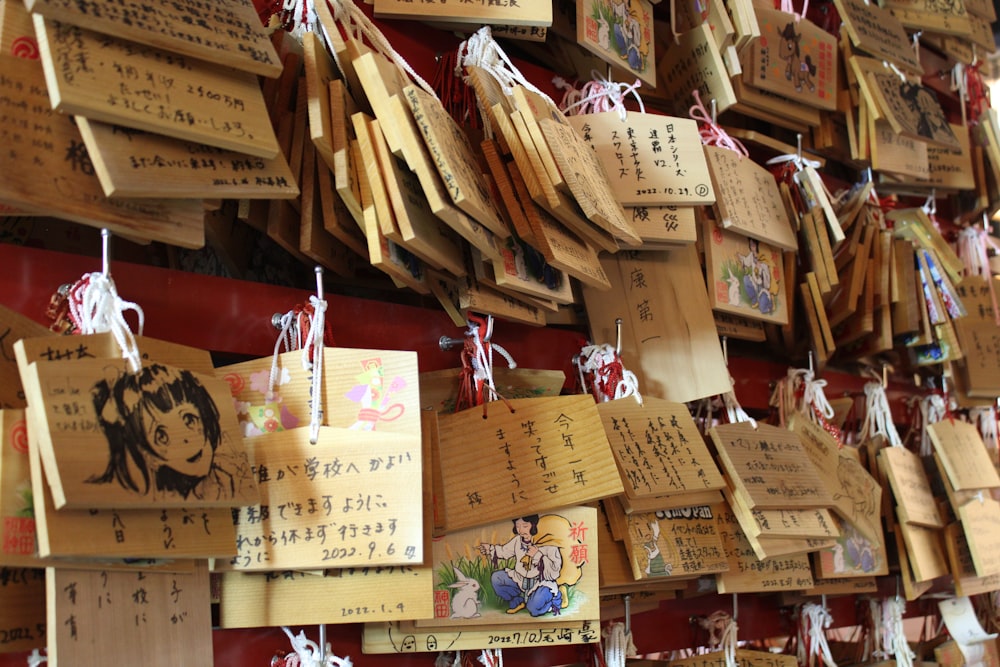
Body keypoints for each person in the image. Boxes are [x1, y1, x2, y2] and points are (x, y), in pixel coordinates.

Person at [89, 363, 238, 502]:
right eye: (162, 436)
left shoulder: (230, 475)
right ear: (151, 457)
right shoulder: (160, 497)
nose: (185, 438)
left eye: (189, 419)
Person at [478, 515, 563, 616]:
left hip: (540, 582)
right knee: (497, 578)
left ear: (534, 525)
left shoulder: (548, 543)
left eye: (525, 526)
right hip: (520, 579)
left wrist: (538, 555)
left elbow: (554, 571)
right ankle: (519, 601)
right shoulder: (518, 540)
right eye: (518, 526)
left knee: (534, 609)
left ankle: (555, 599)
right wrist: (490, 549)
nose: (521, 530)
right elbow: (504, 551)